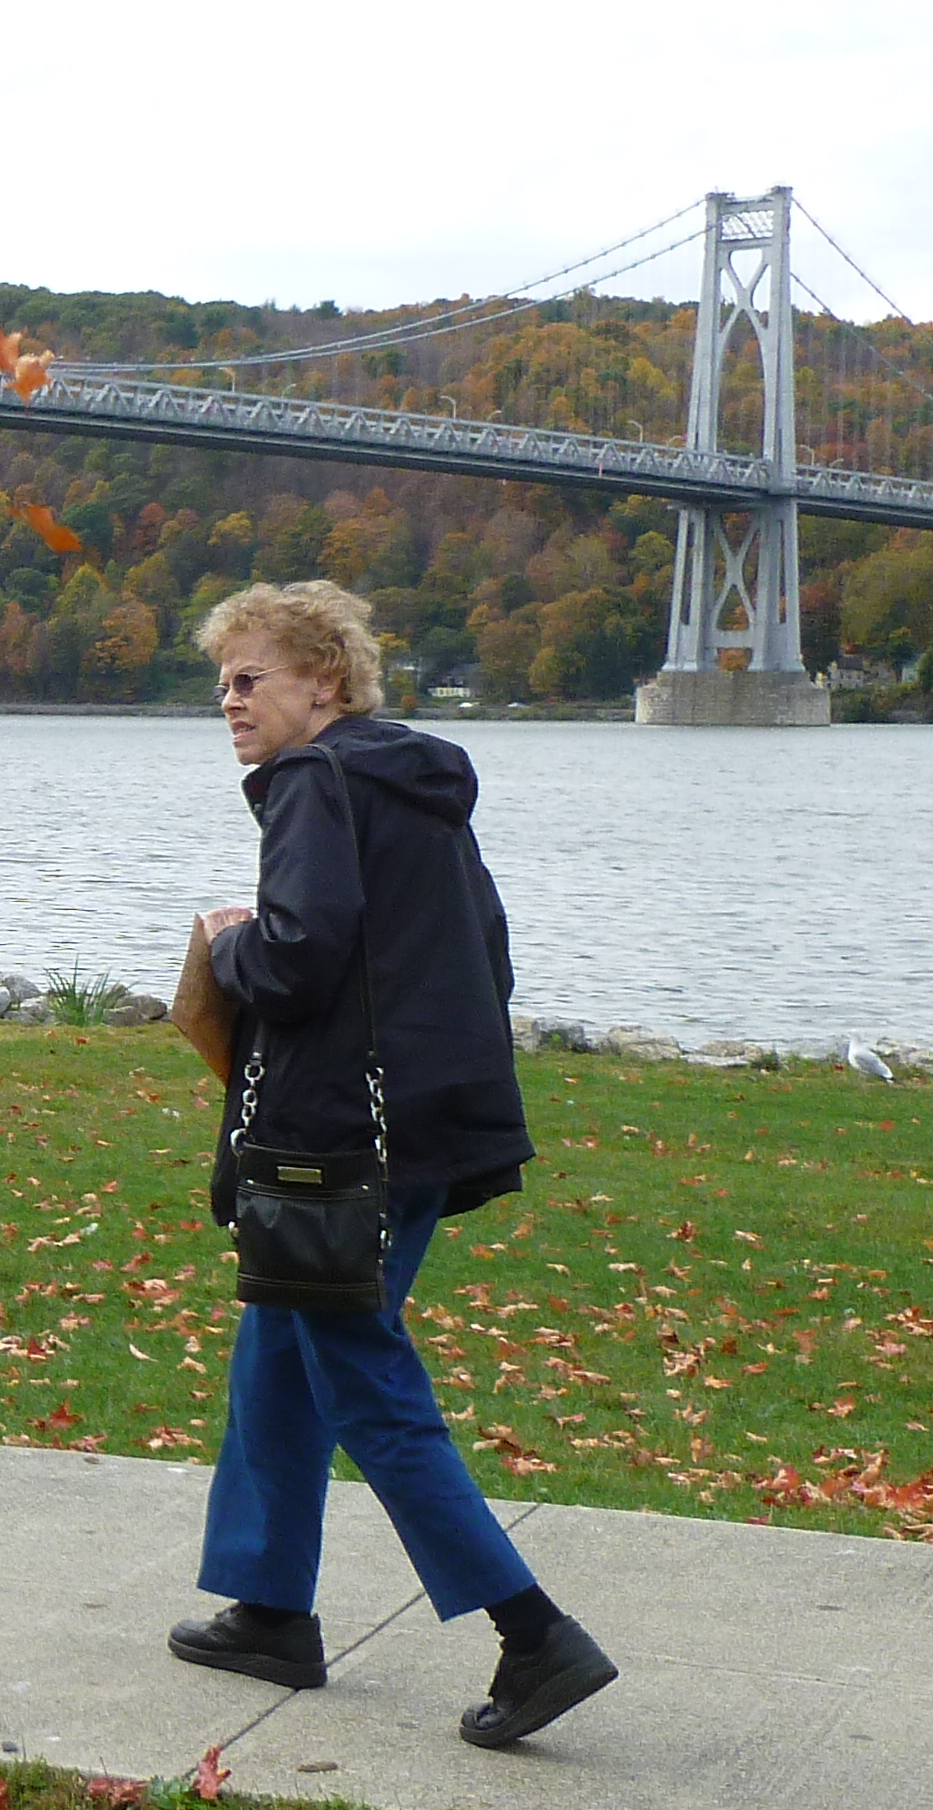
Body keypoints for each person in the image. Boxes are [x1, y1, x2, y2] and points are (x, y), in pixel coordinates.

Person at [170, 581, 616, 1749]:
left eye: (250, 676)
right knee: (281, 1347)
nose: (230, 699)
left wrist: (232, 946)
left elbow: (305, 959)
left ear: (326, 679)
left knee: (364, 1377)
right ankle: (269, 1607)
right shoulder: (414, 787)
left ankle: (534, 1634)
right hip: (423, 1127)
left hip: (338, 1146)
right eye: (222, 681)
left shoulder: (316, 783)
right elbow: (486, 952)